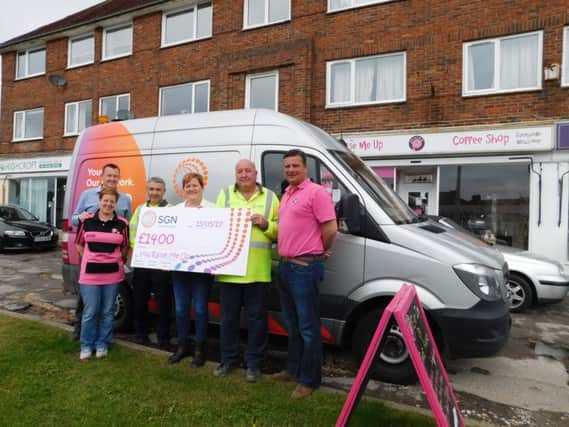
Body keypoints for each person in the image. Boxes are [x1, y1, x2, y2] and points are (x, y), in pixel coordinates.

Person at [273, 149, 337, 399]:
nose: (290, 170)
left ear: (305, 168)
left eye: (295, 166)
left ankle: (309, 380)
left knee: (308, 327)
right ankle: (293, 369)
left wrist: (321, 249)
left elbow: (331, 227)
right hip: (286, 267)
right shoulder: (287, 193)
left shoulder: (316, 193)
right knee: (292, 325)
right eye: (287, 166)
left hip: (304, 268)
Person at [213, 159, 279, 383]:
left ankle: (254, 364)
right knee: (228, 320)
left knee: (257, 321)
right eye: (239, 171)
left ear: (255, 173)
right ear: (235, 173)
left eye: (247, 171)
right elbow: (215, 226)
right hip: (229, 270)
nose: (243, 175)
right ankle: (228, 360)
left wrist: (266, 224)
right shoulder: (225, 195)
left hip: (258, 272)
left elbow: (281, 231)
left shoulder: (270, 197)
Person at [70, 163, 132, 341]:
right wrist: (80, 218)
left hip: (112, 259)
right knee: (86, 298)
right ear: (102, 177)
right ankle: (79, 330)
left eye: (115, 176)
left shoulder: (125, 199)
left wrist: (122, 255)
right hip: (90, 255)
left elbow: (126, 228)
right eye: (109, 175)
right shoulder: (87, 195)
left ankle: (102, 337)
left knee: (108, 301)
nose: (112, 179)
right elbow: (74, 218)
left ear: (118, 178)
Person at [75, 188, 129, 360]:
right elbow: (79, 244)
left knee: (107, 311)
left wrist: (114, 260)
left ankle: (102, 344)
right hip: (89, 275)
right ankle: (86, 345)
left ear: (116, 203)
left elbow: (125, 247)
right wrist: (91, 259)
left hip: (112, 275)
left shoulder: (122, 224)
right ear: (100, 200)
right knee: (90, 311)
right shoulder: (87, 221)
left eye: (112, 201)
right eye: (105, 200)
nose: (108, 204)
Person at [168, 172, 215, 367]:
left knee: (201, 310)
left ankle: (200, 349)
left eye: (195, 185)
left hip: (202, 271)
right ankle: (182, 346)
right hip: (180, 270)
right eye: (187, 186)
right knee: (180, 310)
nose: (191, 189)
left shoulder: (213, 209)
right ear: (183, 189)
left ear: (202, 187)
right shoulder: (176, 210)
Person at [129, 177, 173, 350]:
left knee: (164, 302)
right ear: (147, 190)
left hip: (161, 265)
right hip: (142, 262)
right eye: (152, 189)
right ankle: (141, 334)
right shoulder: (140, 210)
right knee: (140, 300)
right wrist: (137, 249)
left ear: (164, 192)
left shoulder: (171, 210)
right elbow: (132, 232)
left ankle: (163, 338)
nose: (155, 192)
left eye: (158, 190)